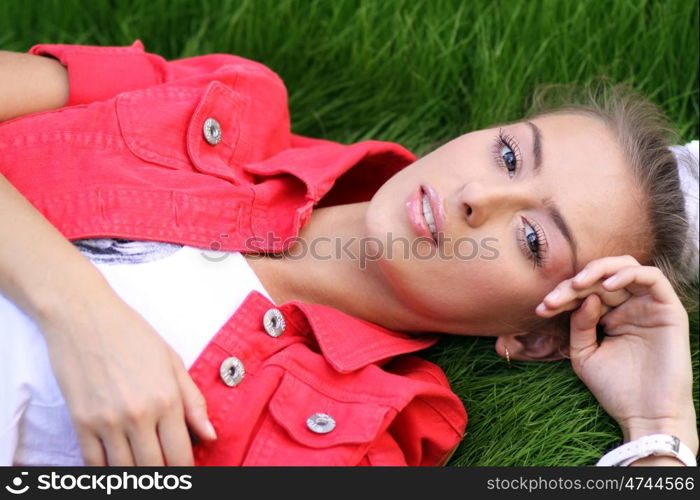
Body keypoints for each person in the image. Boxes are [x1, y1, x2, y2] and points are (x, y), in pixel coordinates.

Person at [0, 41, 697, 466]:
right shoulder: (220, 106)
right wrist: (81, 313)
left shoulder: (361, 440)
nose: (477, 196)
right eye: (510, 154)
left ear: (535, 338)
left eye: (533, 238)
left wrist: (659, 431)